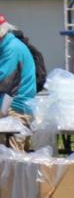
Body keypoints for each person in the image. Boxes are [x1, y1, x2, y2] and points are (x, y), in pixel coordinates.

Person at [0, 15, 38, 151]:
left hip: (15, 108)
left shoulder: (11, 49)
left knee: (13, 157)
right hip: (15, 107)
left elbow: (3, 79)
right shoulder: (9, 46)